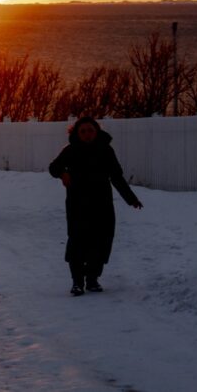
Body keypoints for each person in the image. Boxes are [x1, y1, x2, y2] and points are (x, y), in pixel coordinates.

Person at [49, 116, 143, 296]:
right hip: (77, 205)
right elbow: (53, 167)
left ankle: (92, 279)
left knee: (101, 241)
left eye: (90, 130)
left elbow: (116, 177)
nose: (87, 134)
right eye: (82, 131)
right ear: (76, 133)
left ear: (96, 131)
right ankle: (77, 282)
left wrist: (131, 199)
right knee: (77, 242)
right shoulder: (70, 151)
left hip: (102, 204)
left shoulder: (106, 150)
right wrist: (63, 173)